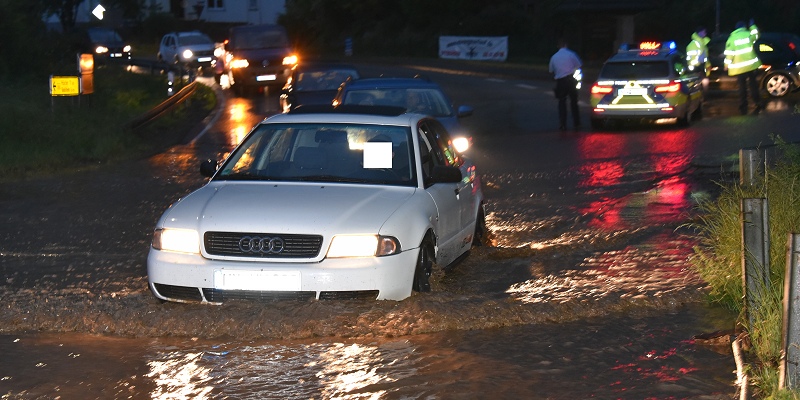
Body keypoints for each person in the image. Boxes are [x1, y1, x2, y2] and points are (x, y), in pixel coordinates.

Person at [725, 21, 763, 114]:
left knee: (742, 87)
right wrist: (752, 25)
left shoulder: (732, 38)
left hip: (740, 67)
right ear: (744, 27)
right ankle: (757, 102)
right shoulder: (749, 34)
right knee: (753, 85)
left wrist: (726, 65)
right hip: (751, 65)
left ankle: (743, 105)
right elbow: (757, 35)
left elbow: (730, 54)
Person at [549, 38, 582, 130]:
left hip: (560, 81)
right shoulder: (571, 54)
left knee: (562, 102)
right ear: (566, 45)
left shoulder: (554, 57)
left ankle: (562, 123)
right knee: (574, 102)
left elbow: (551, 70)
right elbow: (579, 65)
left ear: (558, 46)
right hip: (571, 80)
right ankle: (576, 123)